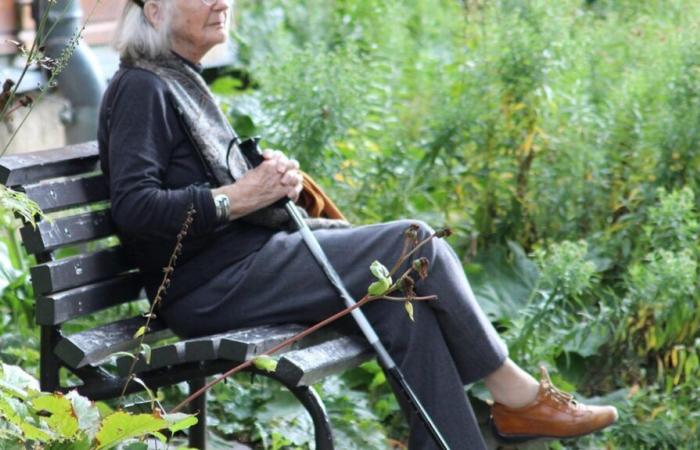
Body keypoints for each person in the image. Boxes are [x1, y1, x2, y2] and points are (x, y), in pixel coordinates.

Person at [98, 0, 619, 448]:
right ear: (155, 11)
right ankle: (516, 395)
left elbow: (209, 190)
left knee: (400, 305)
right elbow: (137, 209)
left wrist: (269, 185)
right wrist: (239, 195)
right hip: (210, 288)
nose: (222, 1)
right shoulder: (142, 87)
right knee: (415, 244)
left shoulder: (176, 79)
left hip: (243, 266)